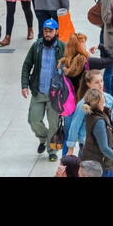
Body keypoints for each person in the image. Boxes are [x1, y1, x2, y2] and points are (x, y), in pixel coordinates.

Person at [21, 18, 66, 160]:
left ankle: (52, 152)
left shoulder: (62, 47)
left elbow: (71, 68)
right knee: (33, 120)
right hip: (38, 91)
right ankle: (43, 138)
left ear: (56, 32)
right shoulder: (36, 46)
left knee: (54, 124)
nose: (47, 34)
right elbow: (27, 65)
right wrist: (24, 85)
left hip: (55, 95)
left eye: (50, 31)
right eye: (45, 31)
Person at [80, 88, 113, 176]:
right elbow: (104, 148)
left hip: (98, 163)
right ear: (99, 102)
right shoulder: (99, 122)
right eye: (103, 97)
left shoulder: (91, 114)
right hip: (99, 166)